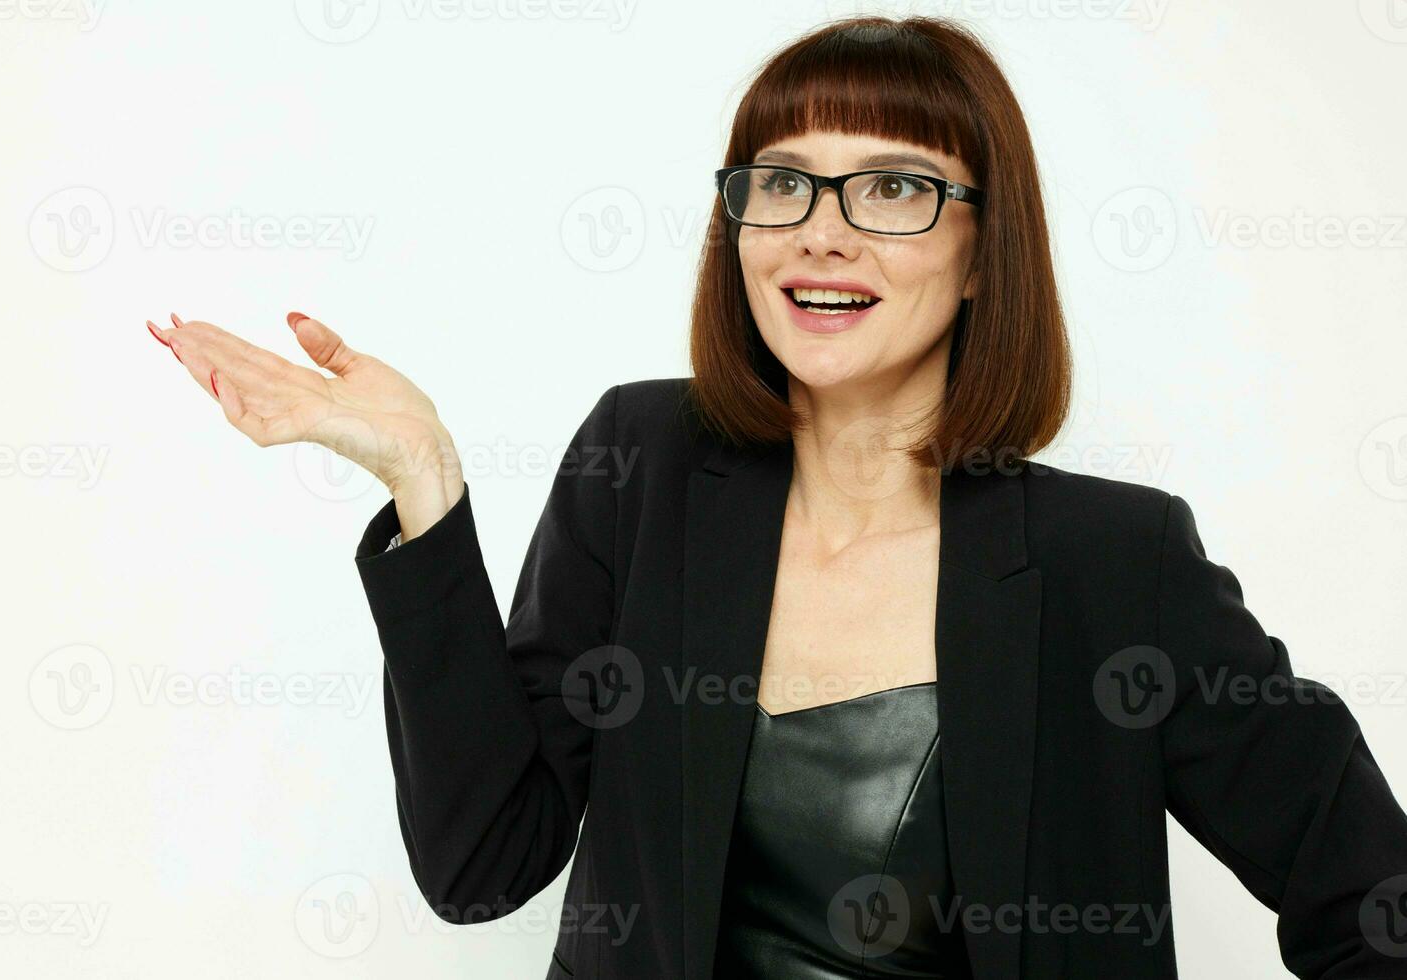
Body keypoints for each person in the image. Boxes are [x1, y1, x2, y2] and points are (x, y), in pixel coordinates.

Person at [146, 15, 1407, 980]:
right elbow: (484, 862)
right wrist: (425, 480)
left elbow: (1371, 898)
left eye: (898, 187)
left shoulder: (1112, 559)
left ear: (984, 254)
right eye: (783, 181)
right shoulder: (640, 467)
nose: (823, 230)